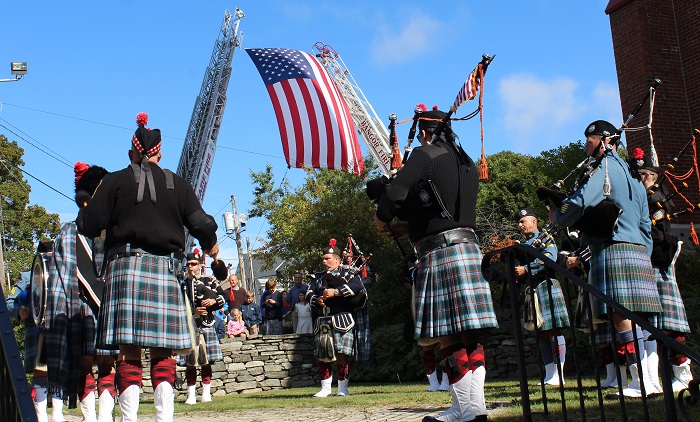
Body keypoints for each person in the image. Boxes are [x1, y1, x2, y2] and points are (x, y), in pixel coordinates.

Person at [76, 112, 219, 421]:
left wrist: (87, 207)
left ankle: (129, 419)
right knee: (163, 351)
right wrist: (211, 244)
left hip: (126, 269)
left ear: (132, 153)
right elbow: (201, 223)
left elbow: (90, 225)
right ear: (159, 152)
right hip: (165, 272)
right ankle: (163, 418)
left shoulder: (114, 181)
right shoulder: (177, 185)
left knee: (128, 350)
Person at [374, 105, 497, 422]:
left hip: (440, 254)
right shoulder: (465, 160)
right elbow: (441, 213)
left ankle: (462, 409)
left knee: (448, 335)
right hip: (469, 248)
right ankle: (476, 407)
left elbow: (395, 195)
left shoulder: (424, 155)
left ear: (425, 131)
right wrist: (408, 227)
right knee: (471, 335)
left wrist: (382, 217)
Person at [549, 120, 662, 398]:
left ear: (606, 141)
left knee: (620, 314)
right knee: (639, 316)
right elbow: (645, 220)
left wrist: (560, 217)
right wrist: (644, 250)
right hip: (637, 248)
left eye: (590, 140)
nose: (586, 145)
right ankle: (650, 380)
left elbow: (583, 199)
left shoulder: (606, 166)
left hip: (612, 247)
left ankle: (639, 381)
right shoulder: (634, 175)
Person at [43, 163, 117, 422]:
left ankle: (105, 416)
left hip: (109, 305)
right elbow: (60, 279)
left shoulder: (115, 231)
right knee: (85, 364)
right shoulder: (68, 232)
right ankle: (89, 417)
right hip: (80, 308)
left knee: (108, 365)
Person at [637, 150, 692, 392]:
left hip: (660, 258)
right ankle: (662, 375)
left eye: (640, 175)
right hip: (650, 259)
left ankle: (683, 374)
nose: (637, 179)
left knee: (670, 323)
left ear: (650, 176)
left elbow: (656, 230)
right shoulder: (646, 197)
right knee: (655, 324)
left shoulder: (656, 197)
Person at [514, 207, 570, 386]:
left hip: (546, 284)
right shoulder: (524, 244)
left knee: (553, 330)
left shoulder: (546, 238)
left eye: (523, 221)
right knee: (540, 333)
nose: (520, 224)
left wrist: (526, 269)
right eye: (519, 222)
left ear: (534, 222)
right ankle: (549, 373)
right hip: (532, 288)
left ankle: (559, 373)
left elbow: (549, 259)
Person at [306, 240, 368, 398]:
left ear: (337, 260)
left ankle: (342, 388)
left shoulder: (349, 274)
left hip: (342, 319)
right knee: (323, 355)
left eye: (327, 258)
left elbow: (358, 288)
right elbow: (308, 294)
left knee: (342, 354)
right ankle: (326, 388)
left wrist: (337, 292)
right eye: (323, 258)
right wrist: (317, 300)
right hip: (323, 320)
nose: (324, 261)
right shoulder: (317, 277)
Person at [7, 272, 65, 422]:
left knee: (59, 371)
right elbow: (10, 302)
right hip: (35, 329)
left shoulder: (62, 271)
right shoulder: (27, 276)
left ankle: (58, 415)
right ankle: (41, 417)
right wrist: (19, 311)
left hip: (59, 326)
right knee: (40, 372)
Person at [181, 251, 226, 405]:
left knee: (206, 361)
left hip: (207, 323)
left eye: (193, 264)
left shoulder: (210, 280)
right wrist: (193, 311)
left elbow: (222, 297)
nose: (190, 267)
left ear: (200, 265)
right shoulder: (183, 283)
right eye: (188, 264)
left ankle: (206, 393)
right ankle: (191, 395)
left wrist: (213, 302)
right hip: (190, 326)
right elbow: (178, 303)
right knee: (191, 362)